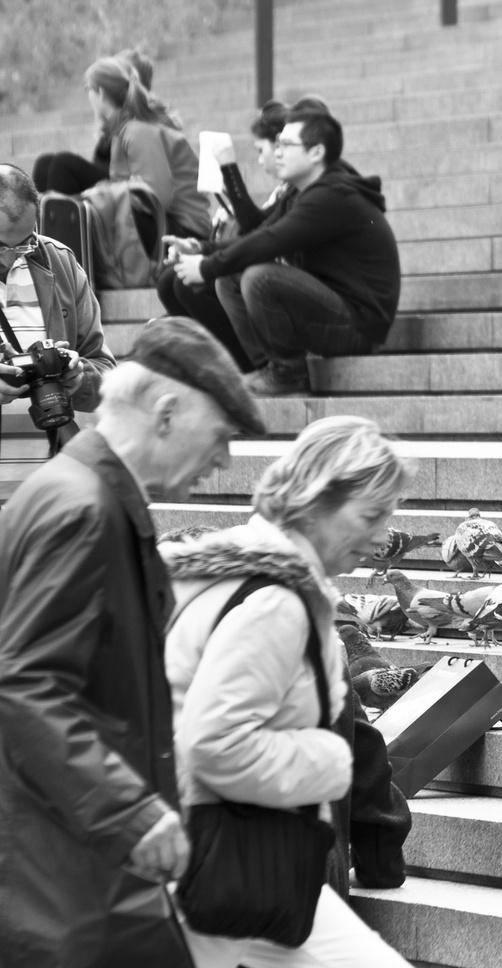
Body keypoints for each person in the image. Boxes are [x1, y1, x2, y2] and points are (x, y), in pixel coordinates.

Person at [0, 316, 263, 968]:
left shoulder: (76, 493)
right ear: (167, 414)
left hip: (71, 870)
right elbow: (27, 686)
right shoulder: (84, 508)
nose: (225, 460)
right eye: (222, 437)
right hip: (69, 884)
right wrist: (133, 813)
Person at [164, 415, 415, 967]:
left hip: (193, 859)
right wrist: (328, 761)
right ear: (316, 500)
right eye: (372, 515)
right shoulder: (279, 599)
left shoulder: (219, 569)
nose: (382, 538)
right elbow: (214, 743)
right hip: (235, 866)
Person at [169, 106, 401, 397]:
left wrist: (205, 266)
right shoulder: (306, 192)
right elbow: (261, 233)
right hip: (332, 308)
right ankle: (268, 369)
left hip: (357, 326)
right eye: (276, 145)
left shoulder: (333, 196)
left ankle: (289, 372)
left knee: (260, 277)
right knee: (230, 277)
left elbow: (271, 240)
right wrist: (204, 247)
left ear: (316, 152)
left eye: (286, 145)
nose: (278, 152)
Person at [0, 165, 115, 503]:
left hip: (48, 489)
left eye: (22, 244)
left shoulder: (59, 263)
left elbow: (106, 373)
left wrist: (79, 378)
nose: (10, 258)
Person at [156, 100, 292, 373]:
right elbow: (258, 229)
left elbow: (258, 233)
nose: (260, 159)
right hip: (267, 273)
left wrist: (230, 170)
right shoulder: (284, 191)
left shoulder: (301, 192)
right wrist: (200, 247)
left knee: (195, 283)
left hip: (277, 283)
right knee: (170, 280)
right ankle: (211, 365)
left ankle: (243, 365)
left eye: (260, 150)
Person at [84, 55, 211, 244]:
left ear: (100, 93)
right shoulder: (123, 131)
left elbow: (157, 198)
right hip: (169, 221)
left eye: (88, 89)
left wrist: (105, 196)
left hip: (184, 228)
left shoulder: (136, 131)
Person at [32, 48, 166, 196]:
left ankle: (65, 216)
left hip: (126, 185)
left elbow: (128, 177)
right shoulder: (118, 118)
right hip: (115, 179)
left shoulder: (142, 120)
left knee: (63, 164)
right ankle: (44, 216)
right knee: (44, 164)